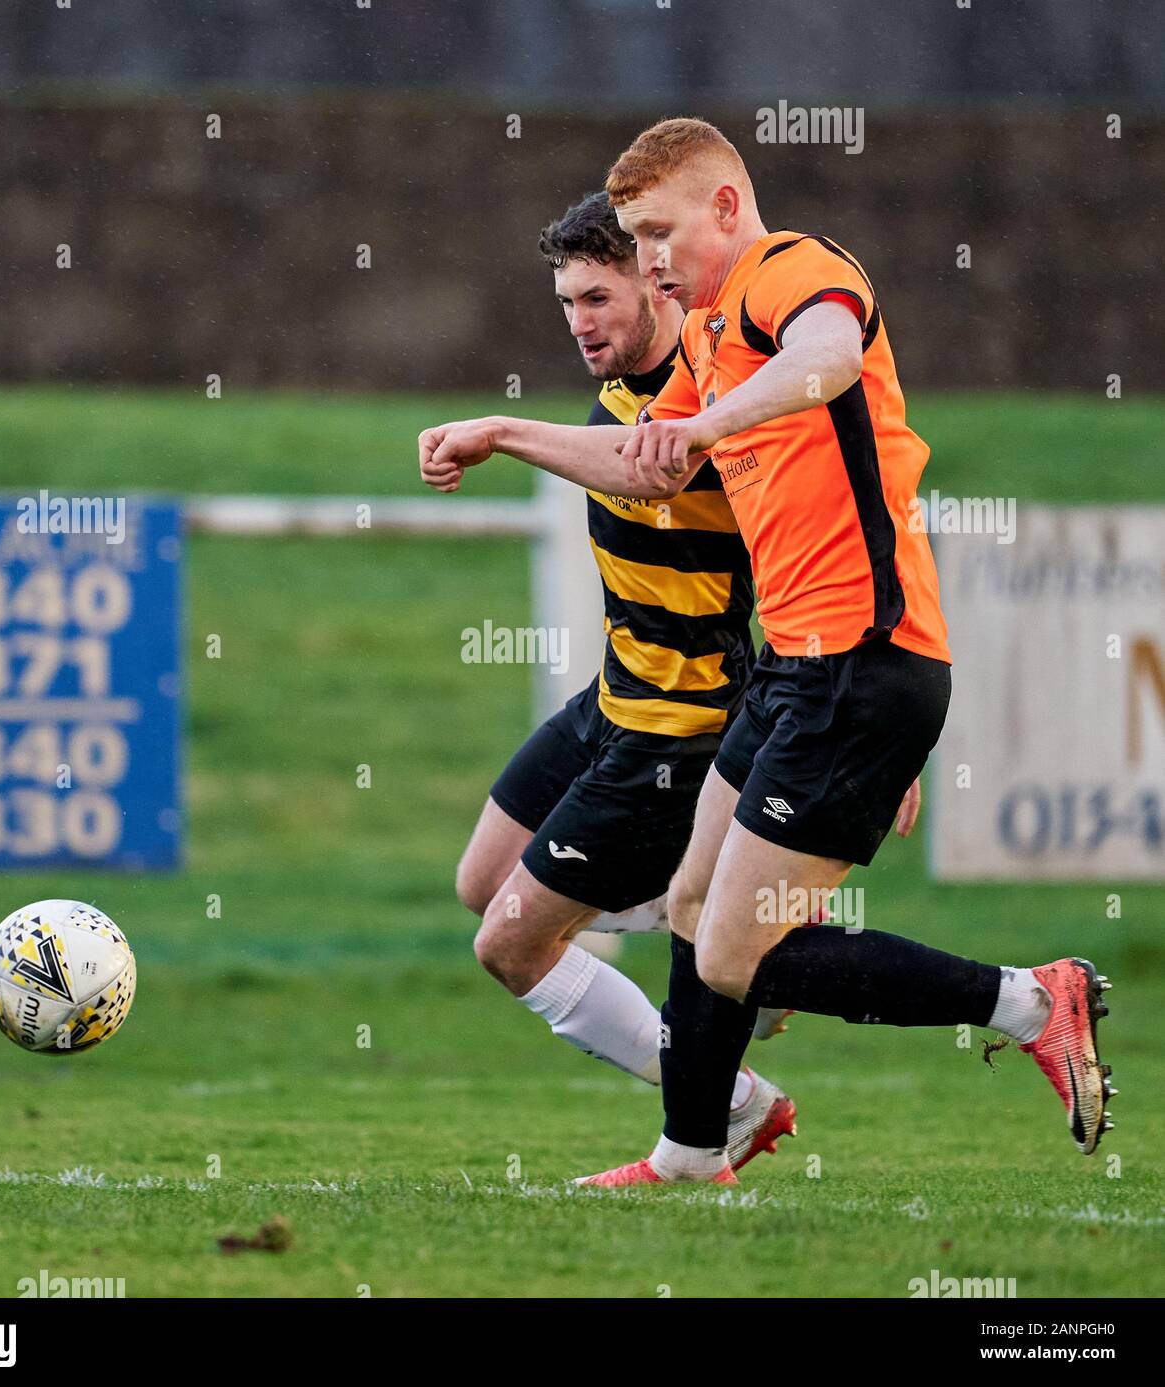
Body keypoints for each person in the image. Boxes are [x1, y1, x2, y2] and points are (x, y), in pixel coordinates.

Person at [420, 120, 1113, 1186]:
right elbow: (646, 466)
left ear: (728, 209)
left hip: (860, 663)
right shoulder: (703, 339)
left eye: (658, 233)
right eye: (632, 240)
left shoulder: (795, 270)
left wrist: (705, 426)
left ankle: (1028, 999)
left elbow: (827, 359)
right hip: (797, 669)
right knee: (699, 917)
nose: (646, 258)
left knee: (729, 944)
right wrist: (504, 433)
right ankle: (692, 1150)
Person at [440, 191, 797, 1173]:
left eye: (596, 297)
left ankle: (725, 1104)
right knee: (482, 882)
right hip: (612, 702)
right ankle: (723, 932)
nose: (579, 323)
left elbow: (653, 473)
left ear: (657, 281)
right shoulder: (621, 391)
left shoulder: (715, 392)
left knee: (510, 945)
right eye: (564, 302)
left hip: (680, 729)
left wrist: (502, 431)